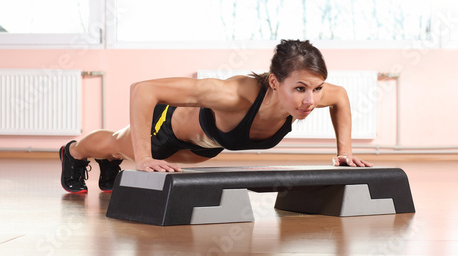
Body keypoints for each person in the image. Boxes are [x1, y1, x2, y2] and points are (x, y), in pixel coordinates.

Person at [59, 39, 373, 193]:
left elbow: (341, 97)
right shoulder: (233, 95)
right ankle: (73, 152)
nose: (310, 100)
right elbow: (143, 90)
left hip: (203, 148)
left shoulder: (312, 95)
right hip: (166, 128)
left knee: (130, 153)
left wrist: (344, 153)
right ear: (275, 82)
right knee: (115, 143)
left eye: (316, 89)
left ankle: (113, 161)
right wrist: (142, 158)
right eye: (301, 88)